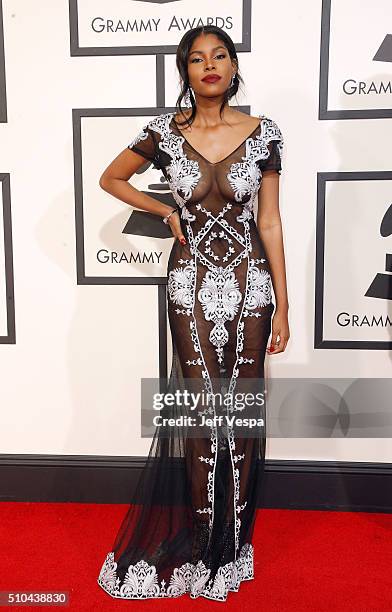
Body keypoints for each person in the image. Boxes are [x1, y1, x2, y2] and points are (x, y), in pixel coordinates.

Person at [97, 24, 290, 602]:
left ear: (233, 68)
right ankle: (206, 540)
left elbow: (271, 221)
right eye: (197, 59)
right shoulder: (163, 132)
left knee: (244, 410)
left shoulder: (264, 134)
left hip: (251, 286)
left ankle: (233, 543)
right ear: (184, 71)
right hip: (190, 286)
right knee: (201, 412)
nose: (210, 66)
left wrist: (283, 302)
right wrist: (163, 210)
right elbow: (111, 178)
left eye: (220, 56)